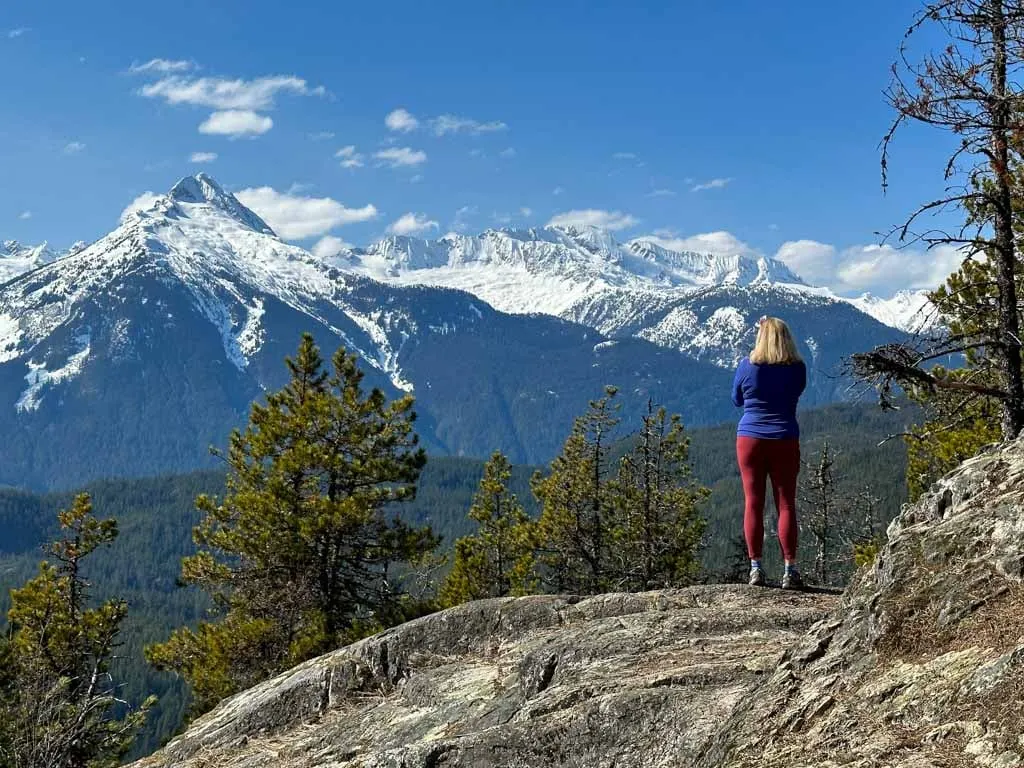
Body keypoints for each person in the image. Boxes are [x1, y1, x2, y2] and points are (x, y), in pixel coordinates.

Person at [731, 316, 806, 590]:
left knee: (753, 502)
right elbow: (796, 393)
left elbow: (736, 399)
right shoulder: (798, 369)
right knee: (786, 504)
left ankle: (756, 569)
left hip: (750, 438)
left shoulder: (746, 366)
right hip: (785, 437)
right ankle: (790, 570)